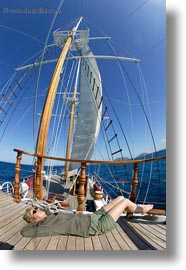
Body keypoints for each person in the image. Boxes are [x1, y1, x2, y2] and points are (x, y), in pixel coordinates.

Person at [20, 196, 153, 237]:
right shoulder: (45, 226)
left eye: (36, 208)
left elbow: (46, 211)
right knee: (124, 203)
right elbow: (25, 232)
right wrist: (34, 222)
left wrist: (39, 210)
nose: (38, 209)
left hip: (93, 217)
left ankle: (140, 209)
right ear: (35, 219)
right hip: (95, 226)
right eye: (34, 211)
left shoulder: (49, 216)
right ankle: (142, 209)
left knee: (120, 198)